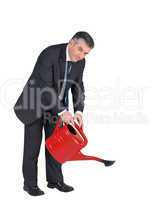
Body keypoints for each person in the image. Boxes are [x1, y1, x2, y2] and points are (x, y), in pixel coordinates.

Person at [14, 31, 94, 196]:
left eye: (86, 53)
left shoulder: (81, 62)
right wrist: (63, 111)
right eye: (80, 50)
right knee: (32, 149)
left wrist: (78, 111)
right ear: (71, 42)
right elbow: (44, 87)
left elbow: (78, 86)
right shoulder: (49, 54)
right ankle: (30, 185)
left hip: (56, 110)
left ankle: (55, 180)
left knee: (56, 147)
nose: (82, 55)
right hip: (34, 105)